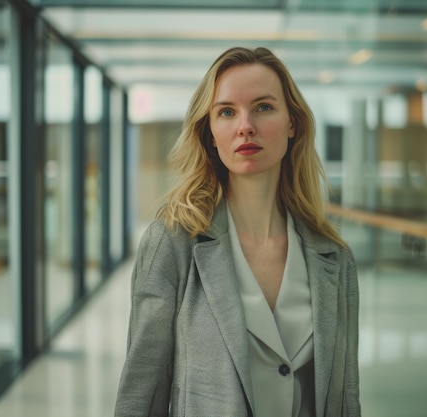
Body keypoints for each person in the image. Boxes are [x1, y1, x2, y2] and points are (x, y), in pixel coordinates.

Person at [114, 46, 360, 417]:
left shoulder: (334, 258)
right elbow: (140, 395)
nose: (245, 125)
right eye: (227, 112)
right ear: (211, 133)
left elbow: (345, 397)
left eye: (263, 107)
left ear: (292, 123)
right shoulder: (172, 244)